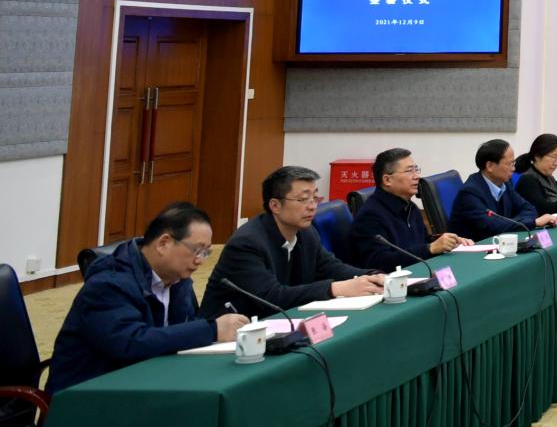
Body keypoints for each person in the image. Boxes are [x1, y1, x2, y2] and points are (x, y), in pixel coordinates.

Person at [47, 203, 248, 393]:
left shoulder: (178, 280)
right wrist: (211, 330)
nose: (200, 261)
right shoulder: (108, 284)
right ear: (163, 243)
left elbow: (181, 331)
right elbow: (131, 343)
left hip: (149, 383)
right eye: (197, 250)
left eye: (206, 252)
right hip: (89, 395)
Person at [201, 166, 384, 318]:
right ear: (275, 205)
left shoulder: (306, 232)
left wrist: (375, 276)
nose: (312, 206)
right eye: (303, 199)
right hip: (228, 335)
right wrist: (334, 289)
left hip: (278, 324)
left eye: (315, 198)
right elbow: (272, 297)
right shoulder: (246, 244)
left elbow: (331, 267)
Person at [349, 147, 470, 270]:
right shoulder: (370, 216)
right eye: (409, 171)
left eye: (416, 170)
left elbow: (423, 241)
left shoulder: (410, 207)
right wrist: (429, 248)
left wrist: (448, 241)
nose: (417, 176)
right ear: (387, 180)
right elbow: (379, 261)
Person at [449, 138, 557, 239]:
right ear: (490, 166)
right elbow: (492, 227)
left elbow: (529, 209)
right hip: (473, 248)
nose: (513, 169)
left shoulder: (505, 184)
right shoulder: (470, 193)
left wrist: (512, 223)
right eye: (509, 164)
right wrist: (533, 223)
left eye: (514, 163)